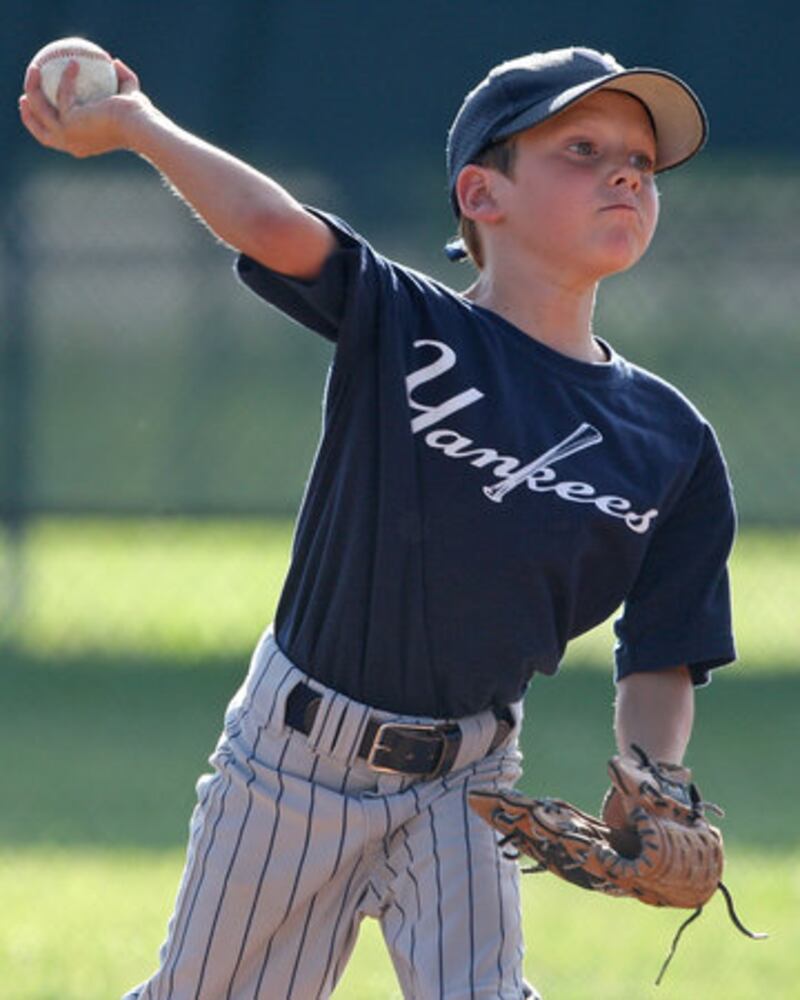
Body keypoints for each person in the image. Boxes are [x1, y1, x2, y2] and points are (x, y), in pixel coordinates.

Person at [20, 44, 736, 1000]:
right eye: (581, 147)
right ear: (482, 194)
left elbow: (663, 648)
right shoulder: (410, 328)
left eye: (642, 163)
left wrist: (654, 776)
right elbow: (275, 228)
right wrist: (139, 127)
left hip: (469, 782)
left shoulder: (670, 441)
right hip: (292, 769)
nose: (624, 172)